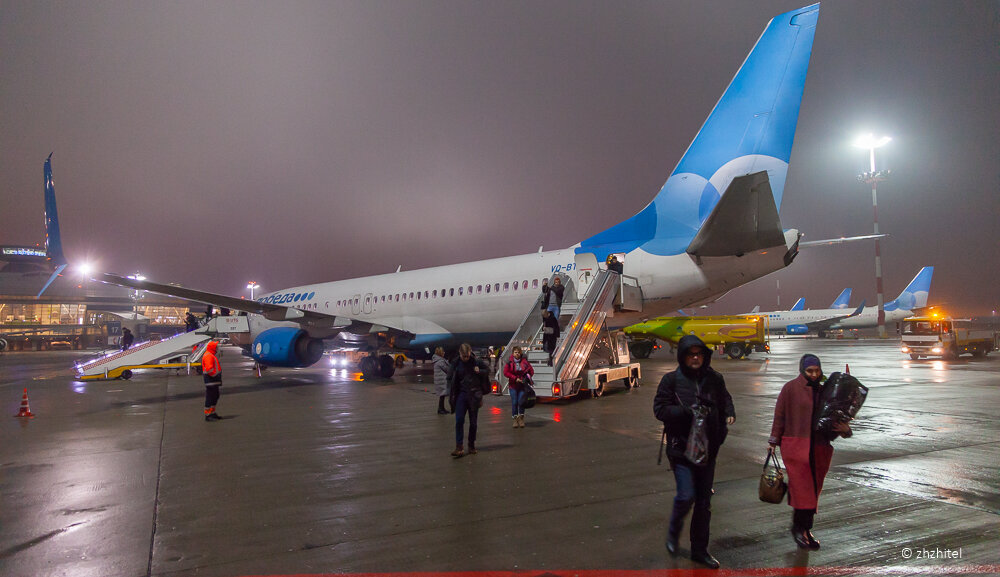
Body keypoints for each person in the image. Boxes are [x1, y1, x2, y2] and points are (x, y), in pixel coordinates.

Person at [653, 335, 735, 570]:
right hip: (681, 450)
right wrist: (685, 412)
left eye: (699, 354)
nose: (696, 357)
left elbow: (725, 399)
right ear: (683, 357)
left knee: (703, 503)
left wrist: (729, 411)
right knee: (686, 495)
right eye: (691, 354)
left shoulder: (714, 379)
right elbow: (659, 410)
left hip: (708, 449)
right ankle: (673, 531)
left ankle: (700, 550)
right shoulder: (671, 380)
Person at [768, 354, 852, 550]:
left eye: (817, 371)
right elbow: (779, 415)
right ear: (802, 370)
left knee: (813, 490)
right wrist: (773, 440)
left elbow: (836, 417)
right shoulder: (790, 388)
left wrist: (846, 430)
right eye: (810, 371)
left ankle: (805, 528)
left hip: (819, 447)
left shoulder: (825, 390)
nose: (814, 375)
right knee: (802, 489)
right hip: (797, 446)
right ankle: (799, 529)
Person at [448, 343, 490, 457]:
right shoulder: (456, 363)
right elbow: (449, 377)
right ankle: (459, 446)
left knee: (473, 423)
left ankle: (471, 444)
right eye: (464, 356)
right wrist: (450, 394)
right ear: (460, 353)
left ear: (470, 352)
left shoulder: (476, 361)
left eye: (467, 356)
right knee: (459, 420)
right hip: (461, 394)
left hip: (474, 394)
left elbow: (487, 370)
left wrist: (479, 371)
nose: (466, 358)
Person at [502, 346, 534, 428]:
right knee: (514, 402)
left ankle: (521, 418)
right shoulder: (509, 362)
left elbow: (531, 371)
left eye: (519, 352)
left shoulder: (525, 362)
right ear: (513, 353)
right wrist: (515, 378)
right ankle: (515, 419)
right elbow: (505, 372)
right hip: (513, 386)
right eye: (515, 352)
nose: (517, 354)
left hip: (522, 386)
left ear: (521, 353)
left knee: (521, 402)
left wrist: (526, 377)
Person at [202, 340, 223, 421]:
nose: (217, 348)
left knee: (215, 396)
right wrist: (215, 375)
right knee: (211, 397)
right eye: (216, 346)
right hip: (211, 380)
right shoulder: (208, 356)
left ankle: (212, 412)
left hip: (213, 381)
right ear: (213, 348)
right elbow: (209, 369)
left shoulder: (210, 355)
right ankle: (208, 415)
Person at [432, 346, 452, 414]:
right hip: (442, 380)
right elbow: (447, 369)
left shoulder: (437, 360)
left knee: (442, 396)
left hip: (440, 380)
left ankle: (442, 408)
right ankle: (440, 409)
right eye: (442, 351)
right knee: (442, 395)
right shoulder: (440, 361)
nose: (444, 352)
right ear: (440, 353)